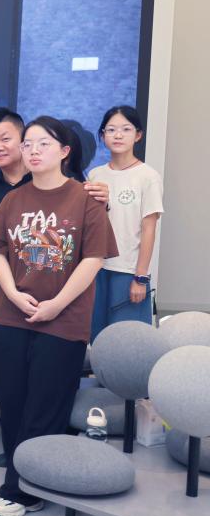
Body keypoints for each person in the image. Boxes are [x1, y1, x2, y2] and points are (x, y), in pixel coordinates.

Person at [0, 116, 117, 516]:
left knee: (47, 404)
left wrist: (57, 304)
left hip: (64, 318)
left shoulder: (85, 198)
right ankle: (28, 479)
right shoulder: (14, 199)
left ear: (64, 151)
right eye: (28, 144)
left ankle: (20, 490)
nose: (34, 150)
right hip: (12, 316)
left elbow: (94, 258)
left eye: (44, 143)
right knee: (14, 403)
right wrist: (12, 293)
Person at [88, 106, 163, 340]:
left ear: (138, 135)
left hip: (128, 271)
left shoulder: (148, 176)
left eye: (126, 129)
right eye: (111, 130)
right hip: (96, 268)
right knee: (96, 338)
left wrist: (140, 277)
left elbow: (149, 229)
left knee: (126, 342)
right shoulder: (95, 175)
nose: (118, 135)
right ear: (103, 135)